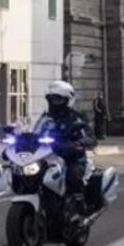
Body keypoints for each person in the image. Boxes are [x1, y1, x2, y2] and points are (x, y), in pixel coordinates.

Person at [36, 82, 96, 214]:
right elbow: (35, 133)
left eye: (57, 99)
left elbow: (91, 138)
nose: (54, 103)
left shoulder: (76, 118)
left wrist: (77, 144)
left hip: (72, 158)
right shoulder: (46, 118)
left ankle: (79, 205)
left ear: (68, 100)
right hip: (49, 157)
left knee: (73, 176)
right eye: (51, 99)